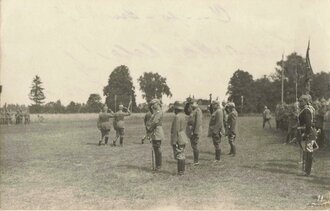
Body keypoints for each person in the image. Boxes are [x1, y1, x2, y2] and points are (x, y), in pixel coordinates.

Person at [297, 95, 319, 176]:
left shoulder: (306, 110)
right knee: (306, 151)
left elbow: (308, 123)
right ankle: (306, 170)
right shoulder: (306, 109)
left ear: (306, 101)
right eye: (299, 101)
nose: (299, 102)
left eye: (301, 101)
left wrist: (306, 133)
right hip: (307, 132)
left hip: (308, 132)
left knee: (308, 151)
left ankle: (307, 171)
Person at [171, 101, 189, 175]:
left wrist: (174, 142)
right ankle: (182, 171)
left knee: (179, 154)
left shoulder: (177, 117)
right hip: (183, 136)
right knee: (182, 153)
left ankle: (180, 171)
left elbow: (176, 130)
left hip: (179, 137)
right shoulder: (184, 115)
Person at [147, 99, 165, 172]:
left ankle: (158, 167)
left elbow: (154, 122)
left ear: (157, 104)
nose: (152, 105)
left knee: (157, 150)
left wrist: (149, 129)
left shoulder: (158, 112)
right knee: (156, 149)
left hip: (157, 131)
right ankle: (158, 166)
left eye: (153, 104)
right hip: (155, 131)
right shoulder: (156, 112)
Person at [187, 100, 203, 165]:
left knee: (195, 145)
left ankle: (196, 161)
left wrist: (195, 132)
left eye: (193, 103)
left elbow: (198, 122)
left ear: (196, 104)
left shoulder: (198, 111)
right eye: (191, 104)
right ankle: (195, 161)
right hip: (192, 130)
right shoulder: (194, 110)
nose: (191, 105)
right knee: (193, 145)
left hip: (195, 131)